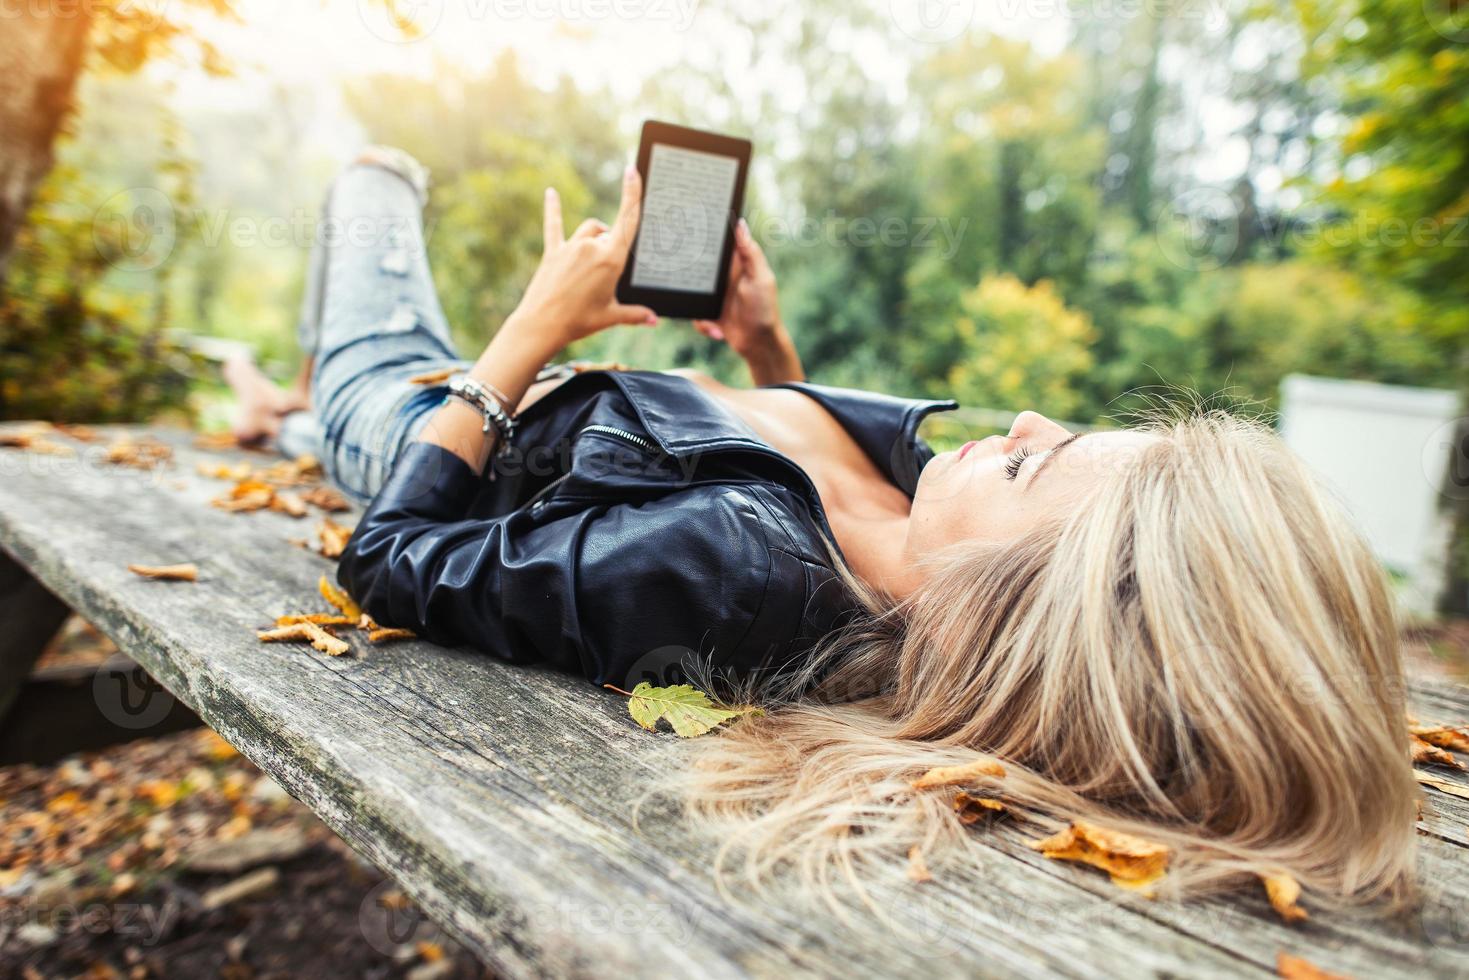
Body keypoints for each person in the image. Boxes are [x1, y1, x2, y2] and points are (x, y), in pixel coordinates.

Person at [227, 148, 1416, 908]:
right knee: (320, 376)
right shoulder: (926, 526)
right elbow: (786, 462)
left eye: (1026, 459)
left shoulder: (726, 579)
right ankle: (273, 407)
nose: (1023, 415)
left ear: (996, 608)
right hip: (524, 390)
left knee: (374, 182)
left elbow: (384, 563)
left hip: (427, 423)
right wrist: (762, 350)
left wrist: (528, 330)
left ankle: (299, 401)